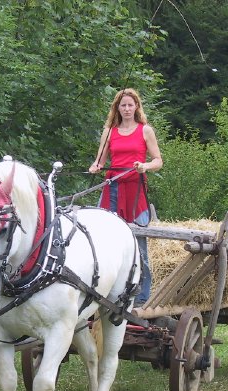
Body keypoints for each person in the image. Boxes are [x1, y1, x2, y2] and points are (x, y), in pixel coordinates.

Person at [88, 88, 163, 307]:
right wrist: (95, 167)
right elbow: (100, 161)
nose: (127, 109)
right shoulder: (109, 131)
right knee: (103, 238)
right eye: (123, 105)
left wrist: (145, 166)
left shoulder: (145, 131)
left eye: (131, 105)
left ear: (137, 107)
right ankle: (104, 289)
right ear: (117, 108)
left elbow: (158, 160)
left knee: (138, 241)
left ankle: (142, 297)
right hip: (112, 188)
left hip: (135, 189)